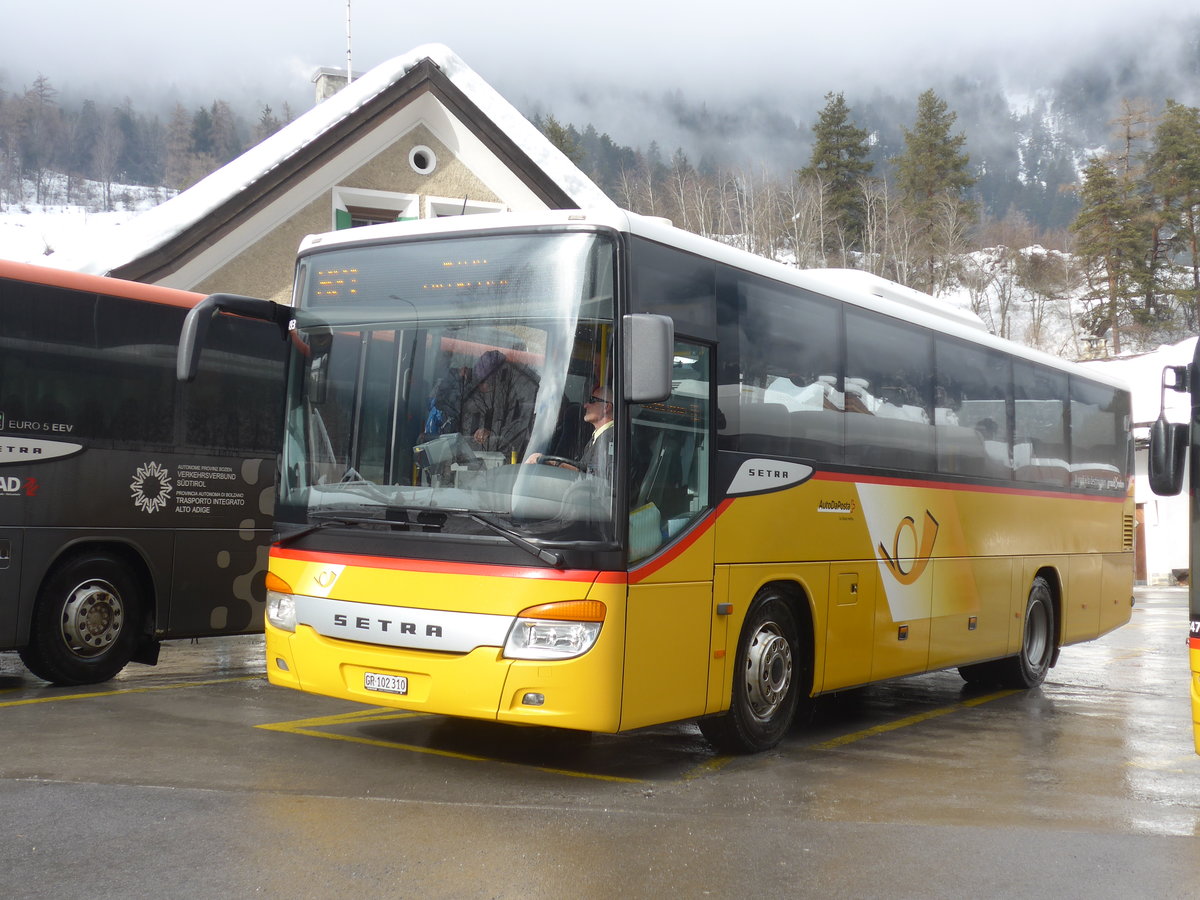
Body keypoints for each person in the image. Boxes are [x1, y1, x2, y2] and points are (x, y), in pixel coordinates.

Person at [526, 384, 613, 479]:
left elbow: (596, 478)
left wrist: (549, 462)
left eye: (592, 401)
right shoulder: (597, 437)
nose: (585, 405)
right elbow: (583, 471)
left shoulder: (611, 439)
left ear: (606, 407)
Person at [461, 349, 537, 457]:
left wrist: (491, 434)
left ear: (499, 379)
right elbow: (465, 437)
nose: (481, 386)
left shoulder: (520, 397)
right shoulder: (471, 399)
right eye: (478, 381)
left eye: (485, 381)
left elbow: (519, 431)